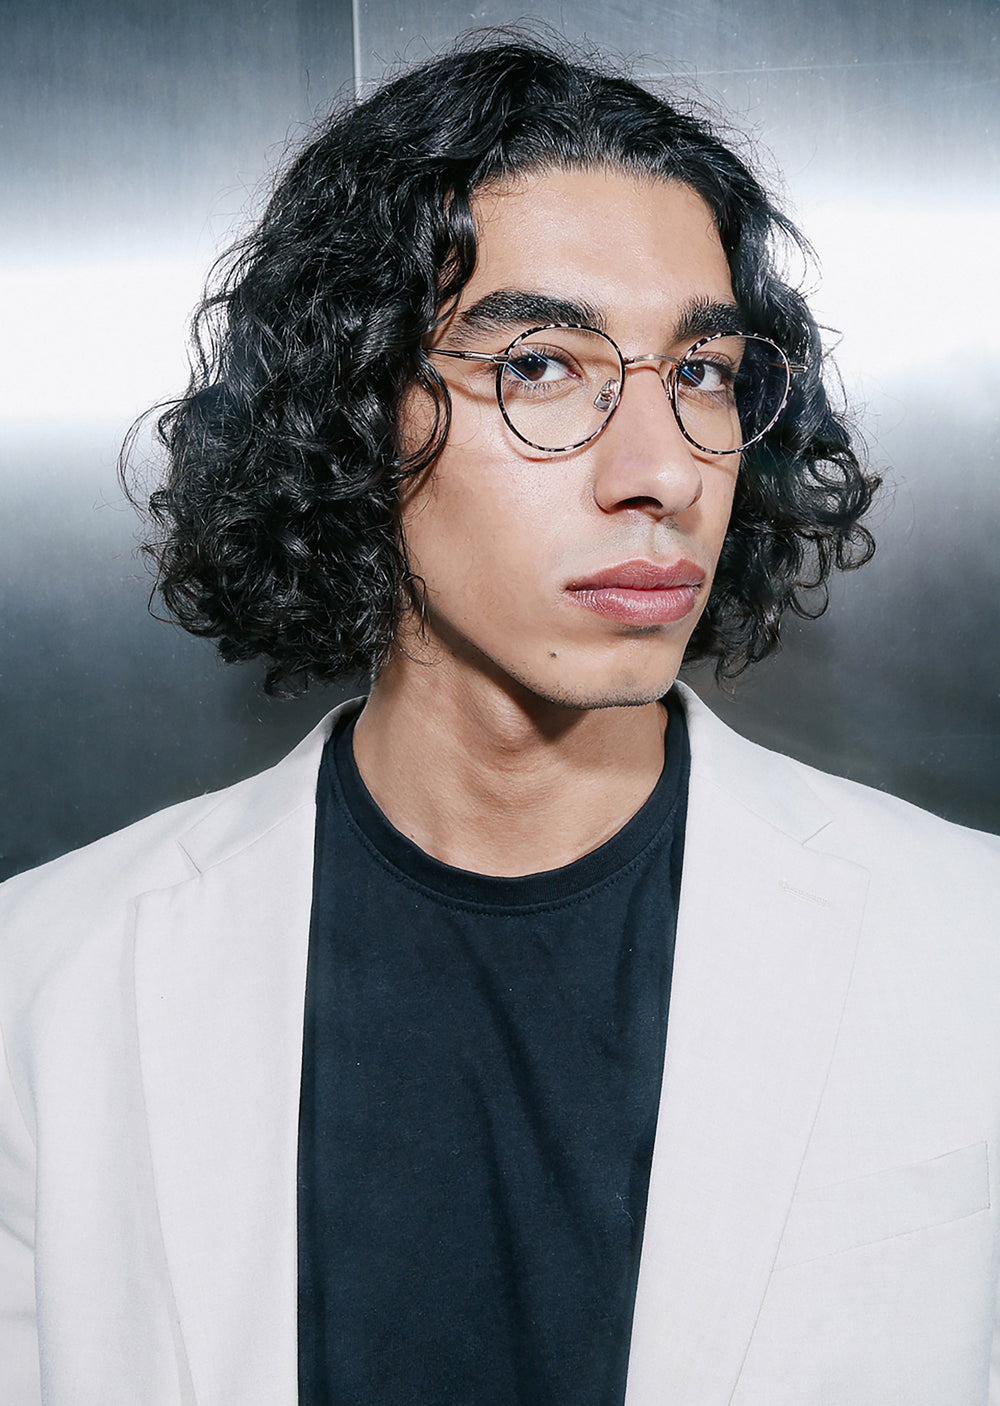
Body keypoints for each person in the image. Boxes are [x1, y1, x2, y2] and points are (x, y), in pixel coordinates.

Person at [1, 33, 998, 1406]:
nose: (662, 471)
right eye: (539, 366)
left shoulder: (967, 944)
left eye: (703, 371)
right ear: (356, 409)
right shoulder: (47, 981)